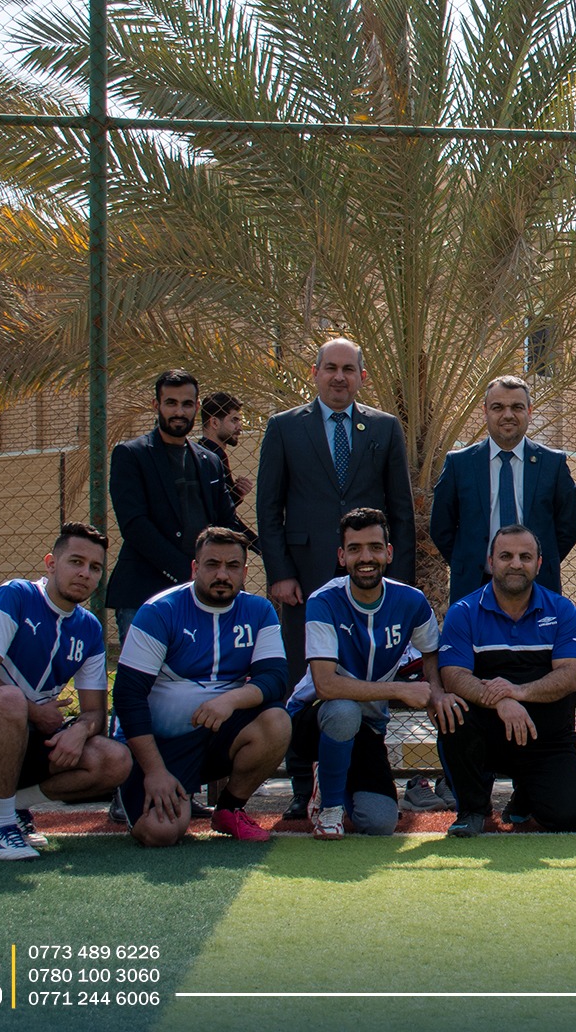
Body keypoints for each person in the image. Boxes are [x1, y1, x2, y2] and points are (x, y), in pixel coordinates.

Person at [256, 337, 416, 816]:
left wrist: (399, 584)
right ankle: (301, 785)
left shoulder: (383, 428)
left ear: (362, 377)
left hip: (370, 583)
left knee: (369, 674)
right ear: (315, 373)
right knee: (302, 678)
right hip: (303, 579)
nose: (339, 377)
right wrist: (280, 573)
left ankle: (359, 774)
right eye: (330, 368)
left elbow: (400, 510)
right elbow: (269, 508)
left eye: (349, 369)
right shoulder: (284, 427)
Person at [0, 523, 130, 860]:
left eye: (95, 568)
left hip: (28, 740)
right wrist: (38, 712)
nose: (85, 573)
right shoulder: (15, 596)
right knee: (9, 700)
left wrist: (79, 731)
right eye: (76, 562)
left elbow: (94, 712)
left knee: (115, 759)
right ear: (51, 563)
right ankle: (0, 829)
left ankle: (10, 806)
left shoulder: (90, 629)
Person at [287, 508, 462, 838]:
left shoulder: (410, 601)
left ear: (389, 553)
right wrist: (399, 690)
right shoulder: (323, 601)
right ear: (342, 556)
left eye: (375, 547)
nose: (365, 557)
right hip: (313, 720)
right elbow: (325, 685)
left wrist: (436, 693)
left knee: (379, 823)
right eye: (355, 549)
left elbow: (431, 653)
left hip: (368, 727)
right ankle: (330, 809)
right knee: (343, 710)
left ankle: (334, 777)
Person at [112, 527, 290, 847]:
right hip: (159, 747)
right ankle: (147, 792)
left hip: (216, 738)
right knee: (160, 833)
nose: (222, 574)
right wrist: (154, 771)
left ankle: (229, 810)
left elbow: (275, 679)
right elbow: (128, 695)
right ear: (195, 568)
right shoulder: (159, 611)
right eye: (212, 564)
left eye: (232, 566)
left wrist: (230, 700)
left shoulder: (259, 611)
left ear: (244, 572)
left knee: (276, 721)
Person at [435, 525, 576, 836]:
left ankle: (526, 795)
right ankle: (472, 809)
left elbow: (570, 676)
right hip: (486, 738)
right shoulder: (463, 612)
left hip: (545, 741)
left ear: (539, 564)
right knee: (452, 712)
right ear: (490, 562)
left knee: (570, 818)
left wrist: (517, 692)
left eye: (525, 557)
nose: (516, 564)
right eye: (506, 556)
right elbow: (453, 676)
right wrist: (503, 701)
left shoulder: (561, 611)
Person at [105, 370, 241, 646]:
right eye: (171, 403)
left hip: (203, 593)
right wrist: (186, 571)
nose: (179, 412)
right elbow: (134, 525)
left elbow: (226, 522)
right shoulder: (131, 455)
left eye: (187, 404)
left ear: (197, 407)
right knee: (143, 672)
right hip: (144, 591)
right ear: (156, 405)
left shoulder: (210, 461)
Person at [431, 375, 576, 600]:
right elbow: (441, 527)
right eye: (498, 407)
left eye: (517, 407)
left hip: (537, 586)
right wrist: (469, 561)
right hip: (474, 585)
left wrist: (532, 565)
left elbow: (568, 528)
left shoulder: (553, 464)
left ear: (529, 411)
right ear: (485, 411)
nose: (508, 415)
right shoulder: (459, 464)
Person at [198, 390, 258, 543]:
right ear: (214, 422)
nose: (240, 427)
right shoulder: (211, 457)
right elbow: (221, 511)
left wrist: (237, 494)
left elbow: (221, 504)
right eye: (234, 420)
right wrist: (258, 544)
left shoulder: (210, 453)